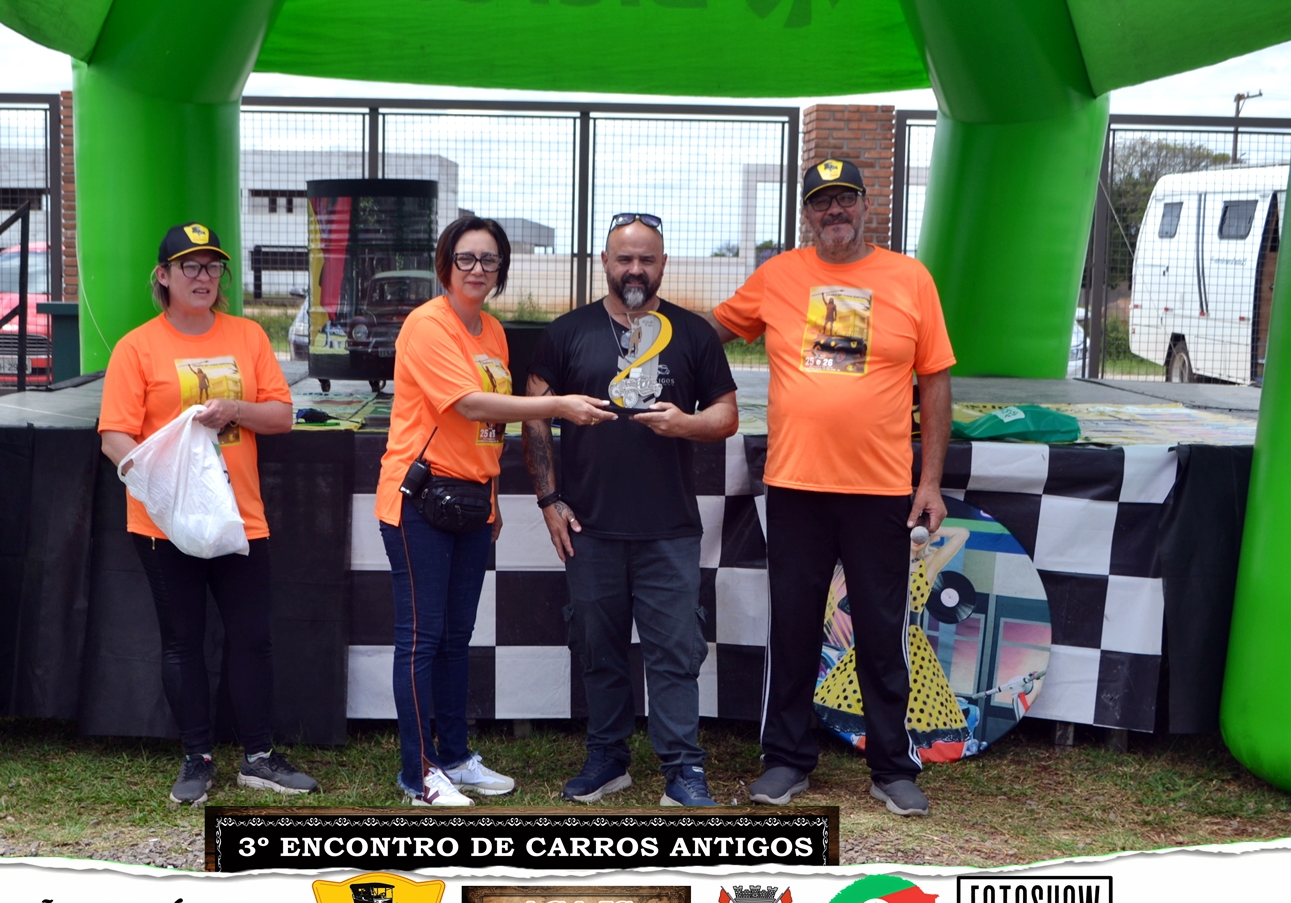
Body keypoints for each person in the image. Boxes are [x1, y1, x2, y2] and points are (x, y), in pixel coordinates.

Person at [709, 159, 956, 818]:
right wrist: (646, 337)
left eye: (845, 198)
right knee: (792, 627)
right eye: (822, 201)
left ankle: (892, 767)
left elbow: (935, 380)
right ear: (807, 214)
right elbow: (710, 334)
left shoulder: (910, 278)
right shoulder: (778, 275)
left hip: (881, 490)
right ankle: (786, 760)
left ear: (866, 205)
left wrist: (930, 481)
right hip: (795, 486)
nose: (834, 211)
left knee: (882, 630)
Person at [376, 216, 616, 806]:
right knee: (421, 640)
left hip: (470, 503)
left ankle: (456, 758)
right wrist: (557, 405)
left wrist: (492, 496)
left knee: (456, 638)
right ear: (446, 264)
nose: (478, 269)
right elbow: (470, 404)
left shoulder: (492, 330)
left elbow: (490, 430)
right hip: (419, 501)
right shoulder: (427, 325)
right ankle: (418, 774)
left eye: (489, 260)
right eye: (466, 258)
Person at [98, 222, 319, 806]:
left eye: (213, 266)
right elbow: (114, 437)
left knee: (252, 639)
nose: (203, 277)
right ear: (163, 276)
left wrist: (233, 409)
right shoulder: (136, 347)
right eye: (190, 266)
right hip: (164, 523)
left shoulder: (248, 335)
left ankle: (259, 757)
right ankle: (196, 758)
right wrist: (161, 493)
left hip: (238, 518)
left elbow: (281, 416)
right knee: (182, 642)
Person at [524, 212, 739, 807]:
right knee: (598, 649)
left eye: (647, 259)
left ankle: (683, 768)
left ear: (663, 264)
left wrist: (686, 424)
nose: (635, 269)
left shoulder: (692, 333)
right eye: (625, 258)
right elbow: (535, 416)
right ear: (605, 263)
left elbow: (726, 415)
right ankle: (607, 758)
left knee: (675, 653)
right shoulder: (567, 332)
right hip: (588, 526)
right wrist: (548, 500)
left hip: (669, 527)